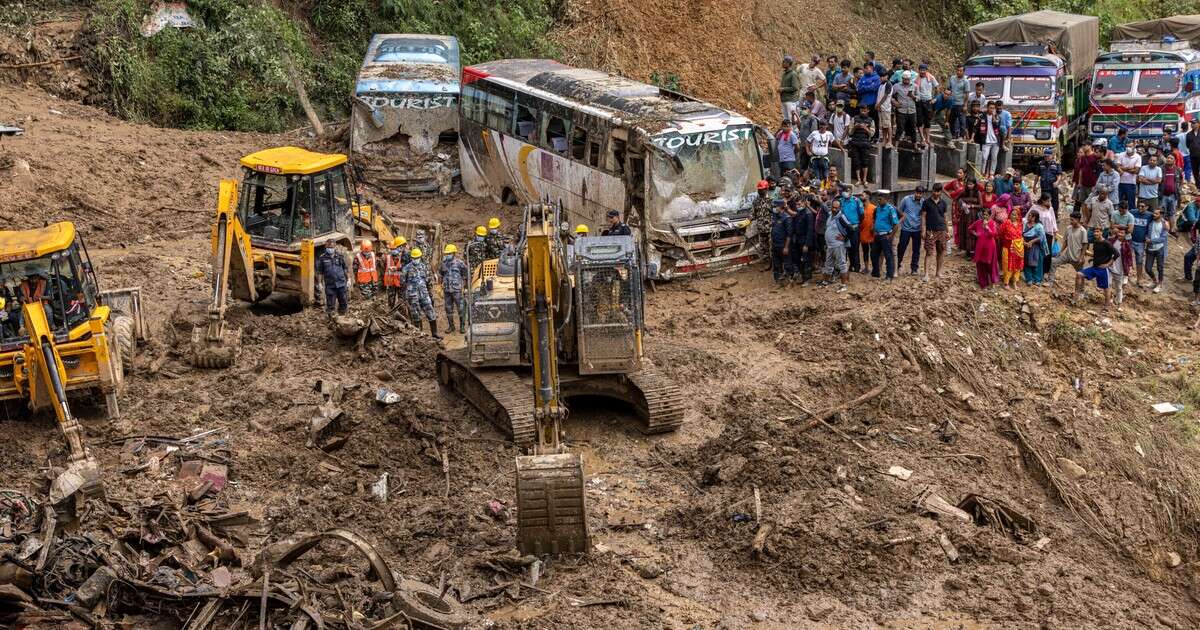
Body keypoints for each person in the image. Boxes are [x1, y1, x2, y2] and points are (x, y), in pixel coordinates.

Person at [402, 247, 440, 339]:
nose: (416, 260)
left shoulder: (424, 266)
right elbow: (402, 282)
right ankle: (419, 336)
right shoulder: (406, 268)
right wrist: (406, 296)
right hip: (413, 296)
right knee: (416, 315)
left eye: (417, 257)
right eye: (414, 258)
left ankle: (434, 334)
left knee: (430, 311)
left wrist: (430, 294)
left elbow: (428, 281)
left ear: (420, 257)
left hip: (424, 294)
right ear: (411, 258)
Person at [1075, 227, 1115, 307]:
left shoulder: (1106, 243)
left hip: (1103, 270)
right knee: (1079, 274)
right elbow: (1098, 254)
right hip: (1094, 267)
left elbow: (1116, 254)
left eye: (1097, 231)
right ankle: (1076, 296)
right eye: (1094, 232)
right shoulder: (1096, 242)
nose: (1095, 233)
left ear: (1101, 232)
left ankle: (1107, 306)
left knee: (1106, 288)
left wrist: (1108, 264)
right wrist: (1092, 258)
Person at [820, 197, 853, 292]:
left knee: (842, 264)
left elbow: (851, 229)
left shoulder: (841, 217)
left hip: (838, 245)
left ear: (840, 208)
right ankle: (825, 282)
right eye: (833, 207)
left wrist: (845, 238)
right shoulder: (830, 215)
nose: (834, 209)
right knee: (828, 264)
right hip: (830, 246)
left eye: (836, 208)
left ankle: (843, 285)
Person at [920, 183, 949, 281]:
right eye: (934, 191)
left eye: (938, 191)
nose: (936, 193)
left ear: (941, 192)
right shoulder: (926, 202)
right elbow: (923, 216)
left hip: (941, 230)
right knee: (929, 252)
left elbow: (945, 217)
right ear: (932, 190)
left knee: (940, 252)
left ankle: (938, 273)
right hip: (930, 231)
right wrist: (923, 230)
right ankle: (926, 274)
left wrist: (947, 231)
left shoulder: (944, 203)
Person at [440, 244, 469, 332]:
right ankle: (451, 327)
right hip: (447, 290)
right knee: (448, 308)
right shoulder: (443, 263)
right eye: (446, 253)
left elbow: (466, 275)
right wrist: (440, 286)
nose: (447, 255)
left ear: (453, 253)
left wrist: (465, 287)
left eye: (449, 253)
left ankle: (462, 326)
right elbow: (441, 274)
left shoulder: (459, 263)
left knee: (461, 308)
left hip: (457, 290)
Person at [871, 190, 899, 280]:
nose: (878, 201)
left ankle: (889, 275)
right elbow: (875, 220)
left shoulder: (891, 209)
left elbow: (896, 224)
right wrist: (874, 230)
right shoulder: (877, 209)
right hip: (877, 235)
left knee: (888, 256)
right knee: (873, 254)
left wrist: (890, 236)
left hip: (885, 235)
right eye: (878, 199)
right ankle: (876, 272)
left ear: (886, 199)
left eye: (880, 199)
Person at [896, 186, 924, 275]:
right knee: (901, 247)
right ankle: (898, 265)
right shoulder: (906, 199)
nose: (918, 195)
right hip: (905, 228)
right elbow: (899, 210)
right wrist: (901, 220)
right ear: (914, 192)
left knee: (916, 249)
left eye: (920, 193)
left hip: (917, 229)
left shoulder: (923, 202)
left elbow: (923, 215)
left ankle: (914, 268)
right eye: (917, 193)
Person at [1031, 193, 1058, 283]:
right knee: (1037, 252)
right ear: (1043, 200)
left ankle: (1044, 271)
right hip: (1037, 233)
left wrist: (1055, 231)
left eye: (1050, 200)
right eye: (1048, 201)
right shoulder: (1035, 208)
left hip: (1048, 233)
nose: (1049, 202)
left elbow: (1053, 220)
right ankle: (1035, 271)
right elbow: (1028, 217)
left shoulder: (1050, 209)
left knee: (1047, 252)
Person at [316, 245, 349, 316]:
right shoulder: (322, 258)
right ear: (326, 247)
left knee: (343, 302)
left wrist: (348, 279)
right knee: (330, 304)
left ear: (335, 247)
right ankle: (331, 320)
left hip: (341, 284)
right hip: (330, 285)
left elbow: (345, 268)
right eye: (329, 247)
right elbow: (320, 272)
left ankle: (343, 317)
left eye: (332, 247)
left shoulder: (340, 256)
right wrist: (319, 283)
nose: (330, 249)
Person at [969, 210, 999, 290]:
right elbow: (970, 228)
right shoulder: (978, 222)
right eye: (983, 215)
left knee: (991, 265)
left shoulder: (992, 223)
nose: (984, 216)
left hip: (990, 247)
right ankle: (983, 283)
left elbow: (994, 234)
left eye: (986, 215)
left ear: (990, 215)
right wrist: (976, 234)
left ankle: (993, 283)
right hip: (980, 247)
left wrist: (987, 228)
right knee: (980, 264)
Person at [973, 101, 1003, 178]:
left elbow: (998, 128)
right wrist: (971, 138)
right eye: (991, 108)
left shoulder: (997, 117)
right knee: (984, 157)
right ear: (987, 108)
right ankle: (982, 173)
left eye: (993, 108)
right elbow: (976, 127)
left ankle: (991, 174)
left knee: (994, 158)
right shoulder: (982, 116)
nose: (992, 110)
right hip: (986, 141)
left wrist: (993, 118)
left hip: (995, 141)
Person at [1108, 226, 1134, 309]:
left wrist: (1130, 268)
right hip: (1110, 267)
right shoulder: (1112, 241)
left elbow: (1129, 257)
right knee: (1108, 284)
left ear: (1125, 234)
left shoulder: (1127, 245)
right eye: (1119, 232)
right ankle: (1109, 300)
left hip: (1120, 269)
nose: (1120, 234)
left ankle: (1119, 304)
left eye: (1122, 233)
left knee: (1119, 287)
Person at [849, 105, 875, 187]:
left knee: (865, 161)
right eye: (861, 109)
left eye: (865, 109)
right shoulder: (854, 119)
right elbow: (850, 132)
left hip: (865, 143)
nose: (863, 111)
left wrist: (865, 128)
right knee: (856, 161)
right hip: (855, 142)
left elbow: (872, 134)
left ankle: (864, 179)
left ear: (868, 110)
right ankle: (858, 180)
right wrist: (855, 127)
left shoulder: (871, 120)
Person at [839, 187, 865, 272]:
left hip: (854, 227)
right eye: (844, 191)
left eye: (847, 191)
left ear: (851, 192)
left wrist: (856, 224)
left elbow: (862, 215)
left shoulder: (857, 201)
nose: (845, 193)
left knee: (855, 247)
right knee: (845, 247)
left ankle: (856, 266)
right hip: (844, 228)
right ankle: (847, 266)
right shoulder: (841, 200)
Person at [914, 64, 938, 149]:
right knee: (919, 121)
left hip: (928, 101)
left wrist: (934, 98)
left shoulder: (931, 78)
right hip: (919, 102)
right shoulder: (916, 79)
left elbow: (937, 88)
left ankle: (928, 139)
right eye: (921, 70)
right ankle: (922, 139)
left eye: (924, 70)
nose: (922, 71)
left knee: (927, 121)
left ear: (926, 70)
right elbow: (914, 89)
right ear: (919, 70)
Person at [1144, 207, 1168, 293]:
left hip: (1159, 249)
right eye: (1154, 213)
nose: (1154, 215)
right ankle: (1154, 281)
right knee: (1147, 268)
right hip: (1150, 249)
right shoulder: (1150, 222)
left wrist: (1151, 241)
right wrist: (1146, 237)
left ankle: (1160, 284)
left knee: (1160, 268)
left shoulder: (1164, 224)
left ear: (1161, 215)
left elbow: (1163, 238)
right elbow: (1146, 232)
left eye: (1156, 214)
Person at [769, 200, 794, 284]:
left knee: (787, 264)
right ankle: (779, 282)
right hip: (775, 244)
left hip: (783, 245)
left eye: (775, 206)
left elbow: (789, 234)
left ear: (780, 207)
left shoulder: (787, 218)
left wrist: (786, 247)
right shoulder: (776, 216)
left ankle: (790, 281)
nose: (774, 208)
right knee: (776, 264)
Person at [892, 71, 918, 147]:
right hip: (901, 110)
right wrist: (894, 102)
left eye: (908, 79)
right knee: (900, 128)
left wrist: (913, 96)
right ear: (902, 78)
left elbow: (918, 97)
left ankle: (915, 145)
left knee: (913, 128)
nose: (906, 81)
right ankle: (896, 145)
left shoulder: (915, 86)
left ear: (910, 79)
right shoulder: (896, 86)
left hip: (912, 110)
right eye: (905, 79)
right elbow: (891, 96)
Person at [1000, 208, 1024, 289]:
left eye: (1015, 214)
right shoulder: (1006, 223)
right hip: (1008, 247)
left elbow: (1021, 235)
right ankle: (1006, 282)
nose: (1013, 216)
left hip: (1018, 248)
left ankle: (1014, 281)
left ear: (1018, 216)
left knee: (1017, 265)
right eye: (1012, 214)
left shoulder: (1020, 224)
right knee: (1007, 264)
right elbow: (1001, 233)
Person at [1129, 200, 1152, 287]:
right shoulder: (1133, 212)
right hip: (1130, 240)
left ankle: (1139, 279)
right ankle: (1125, 277)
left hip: (1141, 243)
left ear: (1147, 207)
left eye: (1142, 206)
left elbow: (1159, 218)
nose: (1140, 208)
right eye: (1139, 206)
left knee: (1139, 261)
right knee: (1127, 258)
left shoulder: (1150, 215)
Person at [1023, 211, 1047, 285]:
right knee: (1026, 262)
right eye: (1028, 215)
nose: (1028, 217)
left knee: (1037, 262)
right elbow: (1021, 234)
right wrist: (1025, 242)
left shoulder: (1039, 226)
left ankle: (1037, 279)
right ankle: (1029, 278)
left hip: (1036, 246)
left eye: (1030, 216)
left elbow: (1041, 237)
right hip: (1026, 245)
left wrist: (1032, 242)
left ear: (1034, 218)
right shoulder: (1025, 224)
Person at [856, 64, 881, 136]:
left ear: (872, 68)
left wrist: (864, 87)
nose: (865, 70)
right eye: (865, 68)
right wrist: (868, 87)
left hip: (872, 103)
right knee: (862, 120)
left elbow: (874, 88)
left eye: (867, 68)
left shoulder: (876, 77)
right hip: (863, 102)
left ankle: (875, 136)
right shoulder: (863, 77)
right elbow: (858, 89)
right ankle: (863, 135)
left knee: (873, 120)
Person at [383, 236, 407, 309]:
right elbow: (384, 267)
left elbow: (406, 268)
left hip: (400, 281)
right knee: (391, 300)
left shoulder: (404, 256)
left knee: (401, 299)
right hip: (391, 281)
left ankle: (401, 312)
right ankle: (391, 311)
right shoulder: (387, 257)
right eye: (392, 249)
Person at [1117, 146, 1143, 213]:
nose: (1128, 147)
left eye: (1130, 146)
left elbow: (1136, 171)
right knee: (1118, 202)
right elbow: (1117, 167)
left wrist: (1123, 169)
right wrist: (1129, 168)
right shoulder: (1121, 154)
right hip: (1120, 182)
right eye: (1127, 146)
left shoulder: (1138, 157)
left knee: (1131, 203)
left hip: (1131, 183)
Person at [948, 65, 969, 141]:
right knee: (951, 120)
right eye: (957, 70)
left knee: (962, 120)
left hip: (960, 103)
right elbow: (949, 88)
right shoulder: (952, 78)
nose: (959, 72)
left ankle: (961, 136)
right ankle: (953, 135)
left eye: (960, 71)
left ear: (963, 72)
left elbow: (967, 94)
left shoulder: (966, 81)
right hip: (952, 103)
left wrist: (965, 105)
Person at [1161, 148, 1179, 232]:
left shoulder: (1177, 170)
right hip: (1163, 195)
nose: (1169, 159)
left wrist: (1178, 192)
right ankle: (1162, 229)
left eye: (1171, 158)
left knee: (1172, 213)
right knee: (1162, 213)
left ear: (1174, 160)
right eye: (1168, 157)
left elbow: (1180, 181)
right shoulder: (1161, 169)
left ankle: (1172, 230)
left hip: (1173, 195)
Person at [779, 55, 802, 122]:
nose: (782, 63)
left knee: (791, 119)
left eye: (784, 62)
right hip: (784, 99)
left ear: (789, 64)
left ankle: (793, 132)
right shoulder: (785, 74)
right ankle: (788, 132)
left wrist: (783, 89)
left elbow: (795, 87)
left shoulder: (793, 74)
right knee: (786, 120)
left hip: (790, 100)